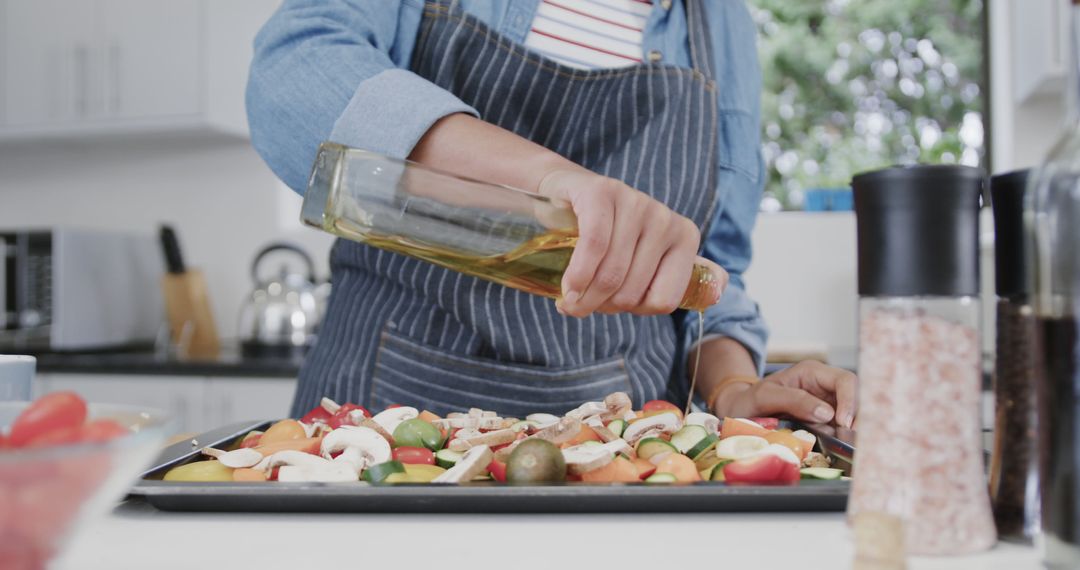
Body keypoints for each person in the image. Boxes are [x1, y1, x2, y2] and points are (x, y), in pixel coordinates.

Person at [247, 0, 857, 427]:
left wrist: (734, 388)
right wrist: (548, 185)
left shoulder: (722, 23)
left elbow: (711, 276)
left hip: (624, 449)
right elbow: (294, 73)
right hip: (377, 421)